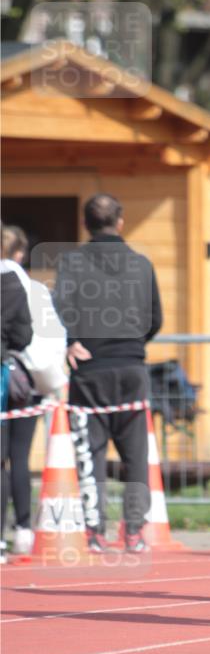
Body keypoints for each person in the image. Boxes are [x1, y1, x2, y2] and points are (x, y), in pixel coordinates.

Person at [54, 193, 163, 553]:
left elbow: (59, 307)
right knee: (136, 456)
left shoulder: (72, 263)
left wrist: (72, 341)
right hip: (131, 368)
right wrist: (132, 343)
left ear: (85, 224)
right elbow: (155, 318)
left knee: (91, 455)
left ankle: (94, 533)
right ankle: (134, 532)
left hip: (89, 369)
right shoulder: (141, 264)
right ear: (120, 221)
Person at [0, 225, 67, 554]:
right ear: (19, 253)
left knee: (4, 459)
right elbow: (40, 334)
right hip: (28, 379)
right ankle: (24, 528)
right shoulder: (33, 289)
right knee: (19, 457)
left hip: (11, 375)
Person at [1, 233, 33, 564]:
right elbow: (25, 335)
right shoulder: (19, 284)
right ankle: (22, 529)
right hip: (18, 379)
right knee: (16, 457)